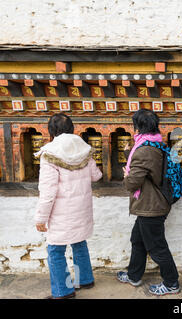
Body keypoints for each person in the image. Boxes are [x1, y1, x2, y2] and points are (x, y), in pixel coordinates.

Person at [34, 113, 102, 299]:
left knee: (55, 250)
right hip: (81, 209)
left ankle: (62, 291)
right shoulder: (84, 150)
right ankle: (85, 279)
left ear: (51, 131)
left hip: (61, 214)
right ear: (72, 129)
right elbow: (96, 176)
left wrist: (41, 218)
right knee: (79, 242)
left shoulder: (49, 153)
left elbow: (48, 192)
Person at [116, 109, 180, 296]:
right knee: (138, 240)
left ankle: (171, 283)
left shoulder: (144, 151)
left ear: (137, 127)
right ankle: (134, 275)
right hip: (152, 204)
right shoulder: (157, 144)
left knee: (157, 247)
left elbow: (132, 183)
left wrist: (126, 175)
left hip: (151, 207)